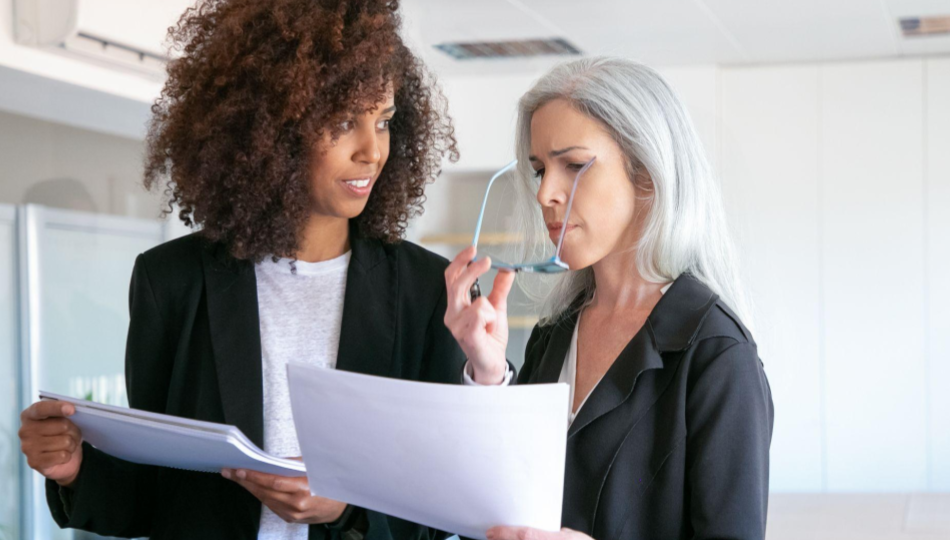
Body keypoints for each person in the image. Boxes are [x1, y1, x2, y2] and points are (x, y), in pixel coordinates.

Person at [18, 1, 462, 538]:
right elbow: (159, 490)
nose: (373, 150)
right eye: (344, 121)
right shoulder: (172, 282)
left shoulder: (426, 292)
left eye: (385, 121)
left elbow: (448, 503)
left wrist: (347, 509)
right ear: (273, 125)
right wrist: (74, 471)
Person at [444, 57, 774, 540]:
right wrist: (489, 375)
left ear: (646, 174)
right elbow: (510, 494)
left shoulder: (718, 356)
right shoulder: (554, 333)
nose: (545, 195)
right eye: (539, 170)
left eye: (574, 166)